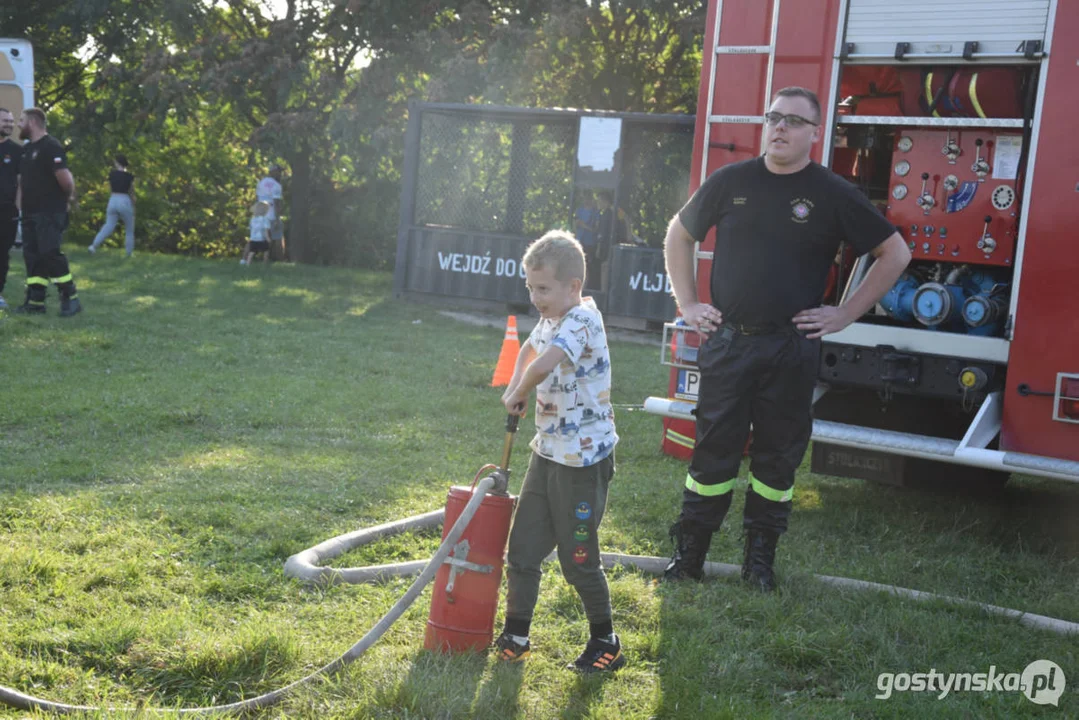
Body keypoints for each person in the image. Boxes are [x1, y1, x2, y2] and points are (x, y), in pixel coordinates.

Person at [661, 87, 910, 591]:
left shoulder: (833, 193)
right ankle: (690, 556)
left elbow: (895, 253)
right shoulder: (731, 181)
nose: (780, 127)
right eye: (774, 117)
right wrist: (687, 304)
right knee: (712, 455)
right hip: (730, 343)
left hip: (791, 349)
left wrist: (845, 313)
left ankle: (759, 563)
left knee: (777, 459)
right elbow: (679, 235)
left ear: (815, 134)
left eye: (794, 121)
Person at [495, 230, 624, 673]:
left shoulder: (582, 320)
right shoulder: (552, 316)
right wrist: (516, 389)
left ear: (573, 286)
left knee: (579, 557)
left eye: (543, 288)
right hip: (547, 451)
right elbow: (531, 347)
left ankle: (606, 641)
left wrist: (522, 386)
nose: (535, 298)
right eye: (530, 288)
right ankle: (516, 634)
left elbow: (547, 361)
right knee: (524, 548)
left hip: (582, 462)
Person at [15, 107, 82, 317]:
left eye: (21, 120)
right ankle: (35, 301)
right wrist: (21, 207)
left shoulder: (51, 146)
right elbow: (22, 183)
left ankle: (70, 297)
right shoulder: (26, 151)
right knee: (33, 256)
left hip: (50, 212)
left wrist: (65, 201)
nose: (18, 124)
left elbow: (66, 180)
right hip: (29, 213)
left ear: (32, 122)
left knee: (50, 253)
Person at [88, 154, 136, 256]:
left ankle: (93, 246)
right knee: (129, 228)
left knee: (108, 226)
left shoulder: (112, 174)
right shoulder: (129, 177)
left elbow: (110, 188)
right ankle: (129, 253)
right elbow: (132, 192)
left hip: (113, 199)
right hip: (124, 199)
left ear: (117, 163)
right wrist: (133, 205)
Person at [0, 108, 21, 310]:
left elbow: (21, 183)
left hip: (7, 213)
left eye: (11, 121)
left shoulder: (16, 151)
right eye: (5, 121)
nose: (9, 124)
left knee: (2, 254)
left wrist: (18, 209)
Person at [256, 164, 284, 258]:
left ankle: (245, 260)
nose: (280, 174)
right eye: (279, 172)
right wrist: (277, 218)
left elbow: (257, 198)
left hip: (260, 215)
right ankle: (280, 260)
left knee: (256, 238)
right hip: (271, 216)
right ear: (273, 172)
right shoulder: (277, 185)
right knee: (278, 238)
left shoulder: (260, 183)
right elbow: (276, 203)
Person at [573, 192, 600, 289]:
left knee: (588, 265)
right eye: (584, 198)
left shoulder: (595, 212)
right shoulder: (579, 210)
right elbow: (576, 224)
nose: (586, 200)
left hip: (590, 243)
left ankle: (586, 286)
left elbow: (595, 228)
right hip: (579, 241)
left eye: (588, 198)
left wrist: (585, 226)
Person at [242, 201, 272, 265]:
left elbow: (251, 228)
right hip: (262, 239)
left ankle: (248, 263)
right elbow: (266, 230)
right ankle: (265, 263)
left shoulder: (252, 219)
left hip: (253, 238)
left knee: (252, 252)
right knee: (266, 251)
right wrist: (268, 238)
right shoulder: (265, 219)